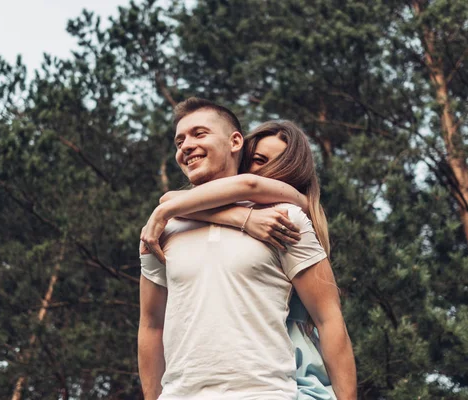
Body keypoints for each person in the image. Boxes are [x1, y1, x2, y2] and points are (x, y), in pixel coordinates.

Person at [138, 97, 356, 400]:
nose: (186, 145)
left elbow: (329, 318)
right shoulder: (161, 231)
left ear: (234, 141)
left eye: (199, 134)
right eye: (179, 140)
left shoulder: (285, 219)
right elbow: (151, 326)